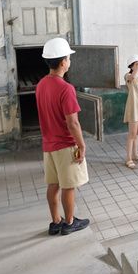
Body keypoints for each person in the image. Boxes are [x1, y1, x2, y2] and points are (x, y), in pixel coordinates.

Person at [36, 37, 90, 236]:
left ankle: (55, 222)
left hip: (48, 145)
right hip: (65, 145)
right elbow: (73, 122)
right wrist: (82, 146)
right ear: (62, 62)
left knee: (53, 184)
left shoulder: (41, 84)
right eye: (68, 57)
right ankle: (69, 223)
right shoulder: (66, 89)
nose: (69, 60)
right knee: (69, 186)